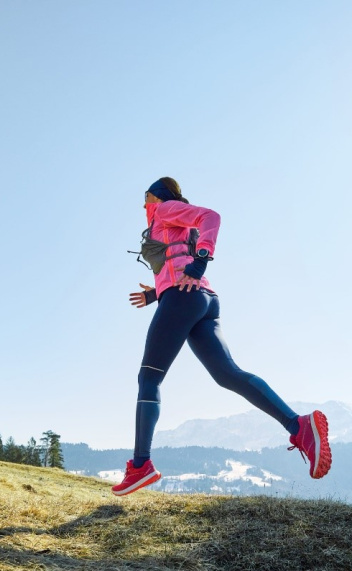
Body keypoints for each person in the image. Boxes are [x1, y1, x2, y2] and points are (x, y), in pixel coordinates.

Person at [111, 177, 332, 496]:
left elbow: (211, 217)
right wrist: (156, 296)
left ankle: (141, 465)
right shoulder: (169, 221)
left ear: (155, 197)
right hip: (202, 300)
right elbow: (176, 264)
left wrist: (200, 262)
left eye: (145, 198)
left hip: (185, 296)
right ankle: (299, 427)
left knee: (149, 378)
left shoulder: (166, 209)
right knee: (228, 374)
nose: (143, 205)